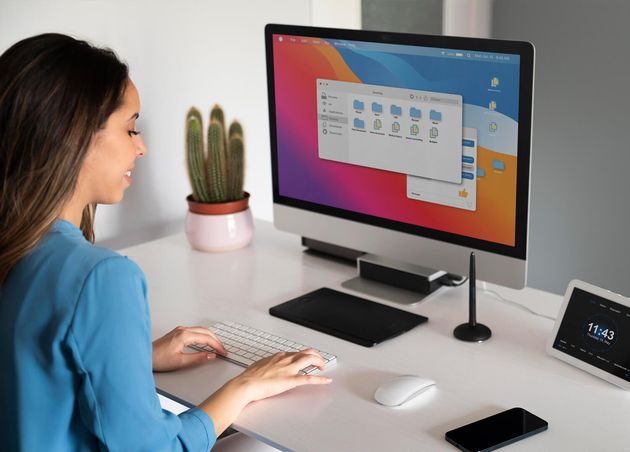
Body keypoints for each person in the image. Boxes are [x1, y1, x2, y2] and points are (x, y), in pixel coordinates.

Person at [0, 33, 331, 451]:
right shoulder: (100, 278)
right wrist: (246, 385)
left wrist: (133, 358)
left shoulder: (17, 246)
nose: (141, 147)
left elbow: (32, 361)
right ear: (75, 136)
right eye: (130, 127)